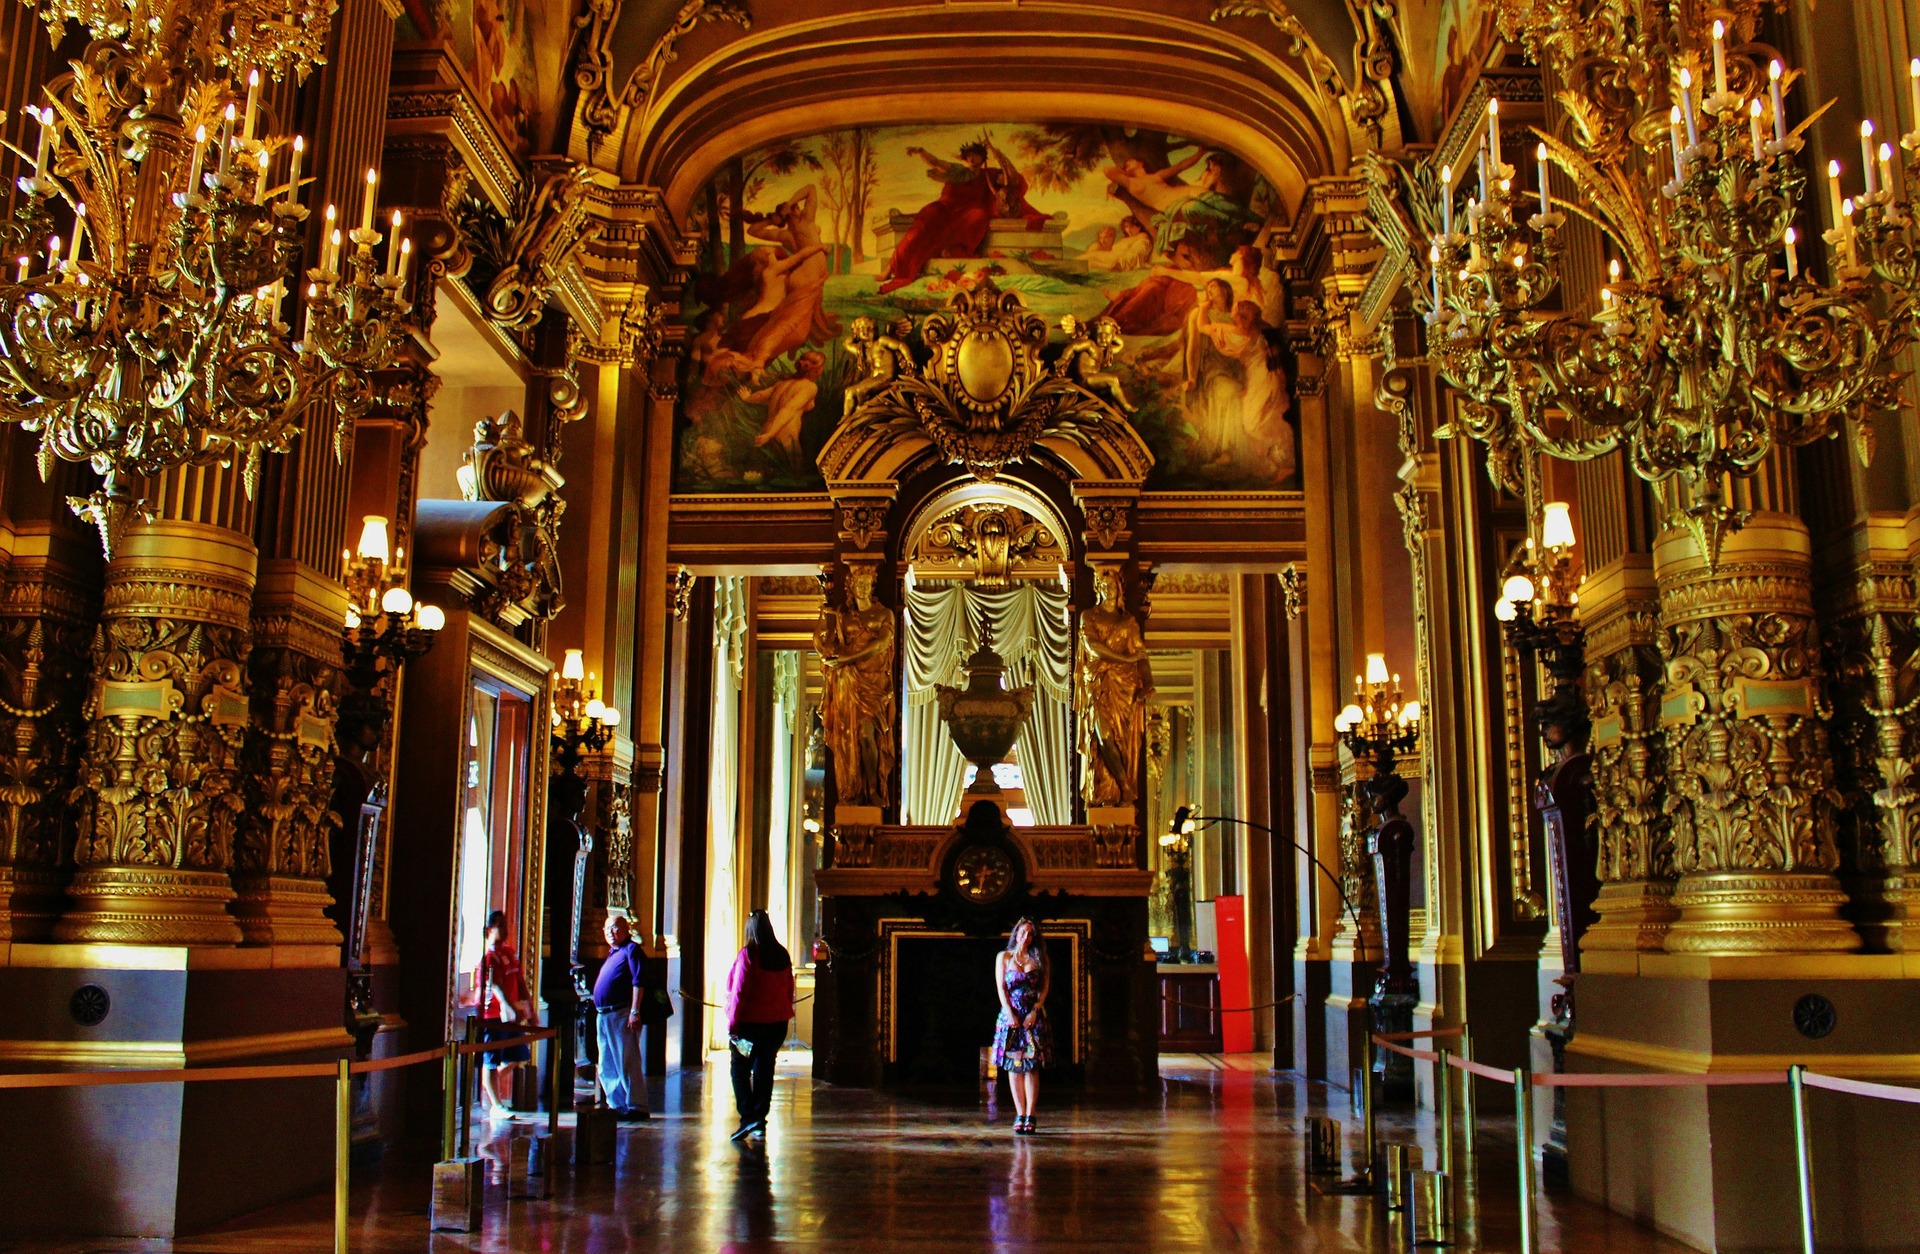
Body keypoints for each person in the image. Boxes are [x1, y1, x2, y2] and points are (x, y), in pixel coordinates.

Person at [725, 910, 796, 1142]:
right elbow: (789, 990)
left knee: (740, 1070)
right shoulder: (782, 955)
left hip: (749, 1026)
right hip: (777, 1025)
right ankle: (759, 1120)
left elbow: (739, 993)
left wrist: (732, 1025)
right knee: (765, 1070)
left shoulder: (749, 955)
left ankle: (747, 1117)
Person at [470, 909, 533, 1120]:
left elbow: (520, 980)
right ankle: (496, 1105)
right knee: (491, 1059)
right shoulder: (489, 957)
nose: (505, 930)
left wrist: (528, 1007)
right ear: (489, 930)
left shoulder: (508, 953)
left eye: (506, 925)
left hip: (511, 1015)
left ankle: (492, 1084)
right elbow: (494, 985)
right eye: (501, 926)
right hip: (494, 1016)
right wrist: (508, 1006)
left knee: (519, 1055)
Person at [993, 917, 1053, 1135]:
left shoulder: (1040, 958)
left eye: (1030, 934)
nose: (1025, 937)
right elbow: (1001, 988)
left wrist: (1035, 1011)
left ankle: (1031, 1114)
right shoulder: (1004, 957)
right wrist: (1010, 1014)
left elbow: (1044, 988)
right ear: (1016, 933)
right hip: (1010, 1017)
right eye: (1022, 932)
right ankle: (1019, 1113)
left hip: (1032, 1017)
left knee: (1031, 1066)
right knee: (1014, 1067)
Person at [592, 914, 651, 1121]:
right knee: (607, 1061)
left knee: (627, 1060)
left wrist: (635, 1010)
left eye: (615, 928)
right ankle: (616, 1104)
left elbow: (638, 981)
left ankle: (637, 1106)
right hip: (604, 1014)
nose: (610, 932)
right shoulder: (613, 952)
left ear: (626, 929)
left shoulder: (631, 949)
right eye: (607, 929)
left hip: (621, 1013)